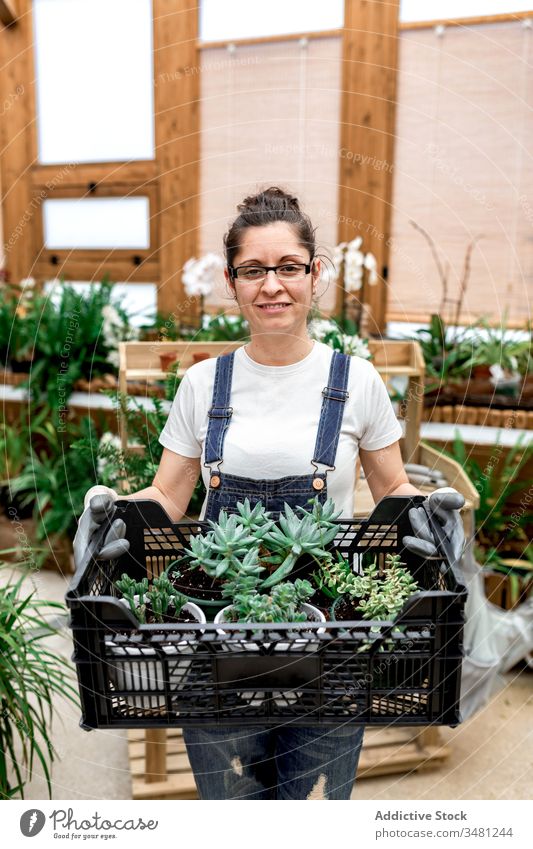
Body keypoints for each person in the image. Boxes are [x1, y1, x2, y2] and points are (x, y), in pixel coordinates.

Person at [74, 186, 465, 800]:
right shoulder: (204, 384)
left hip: (330, 631)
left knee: (311, 799)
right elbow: (170, 497)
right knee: (232, 801)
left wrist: (428, 511)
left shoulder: (356, 381)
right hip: (218, 628)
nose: (272, 285)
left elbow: (390, 485)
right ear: (232, 283)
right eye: (254, 270)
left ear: (315, 274)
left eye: (288, 267)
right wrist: (113, 512)